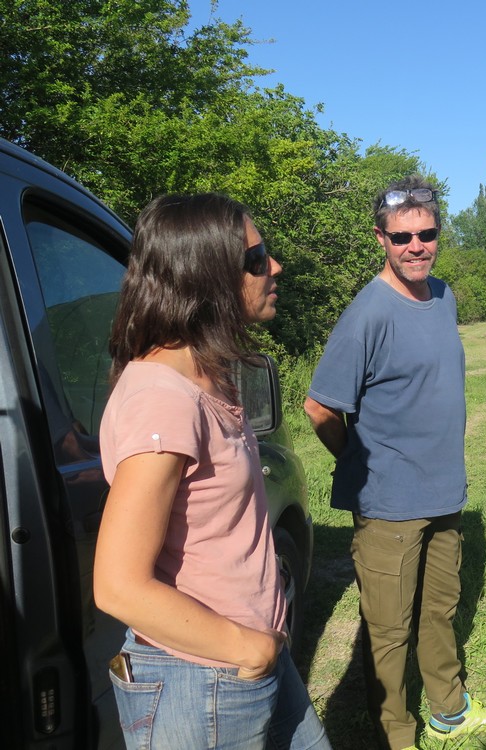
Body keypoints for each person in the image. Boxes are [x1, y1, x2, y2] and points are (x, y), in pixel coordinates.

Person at [94, 193, 331, 750]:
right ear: (207, 277)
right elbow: (117, 584)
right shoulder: (164, 400)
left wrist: (262, 642)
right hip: (202, 678)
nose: (275, 267)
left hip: (249, 657)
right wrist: (247, 648)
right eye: (256, 258)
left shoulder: (205, 377)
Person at [303, 176, 486, 750]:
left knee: (440, 609)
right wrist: (365, 464)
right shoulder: (369, 312)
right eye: (402, 237)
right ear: (381, 239)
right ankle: (396, 735)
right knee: (389, 632)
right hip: (390, 504)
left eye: (427, 234)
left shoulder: (444, 297)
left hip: (444, 495)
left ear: (439, 234)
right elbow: (319, 406)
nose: (415, 246)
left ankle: (448, 709)